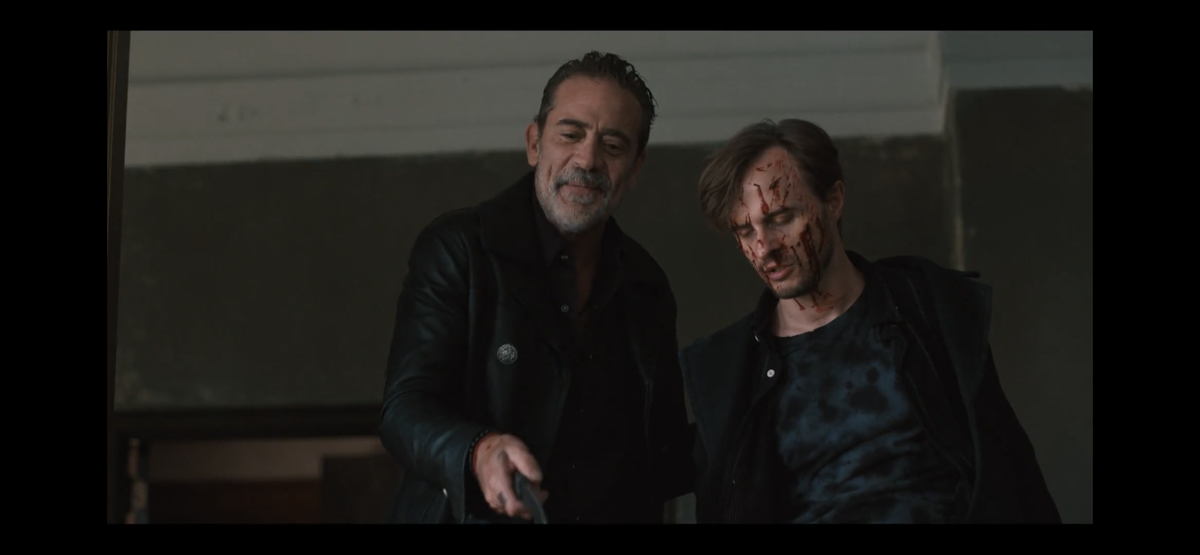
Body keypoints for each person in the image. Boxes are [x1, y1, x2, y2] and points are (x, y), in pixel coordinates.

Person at [679, 118, 1061, 523]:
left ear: (834, 200)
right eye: (744, 231)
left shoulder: (929, 308)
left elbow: (1013, 470)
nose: (763, 249)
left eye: (781, 218)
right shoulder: (732, 371)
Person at [378, 51, 694, 524]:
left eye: (612, 145)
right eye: (570, 134)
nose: (587, 159)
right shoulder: (459, 250)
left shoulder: (647, 285)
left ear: (635, 169)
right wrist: (479, 451)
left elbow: (660, 455)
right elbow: (404, 410)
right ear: (533, 144)